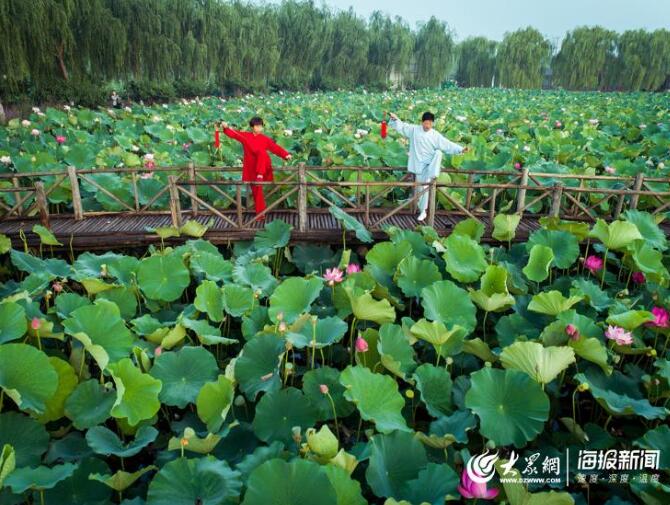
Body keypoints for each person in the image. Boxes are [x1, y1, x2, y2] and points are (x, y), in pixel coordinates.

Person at [388, 111, 467, 221]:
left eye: (430, 123)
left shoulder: (435, 135)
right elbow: (402, 127)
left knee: (439, 153)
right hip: (419, 165)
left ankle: (433, 174)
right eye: (426, 123)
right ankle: (423, 211)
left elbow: (447, 144)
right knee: (422, 189)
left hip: (431, 165)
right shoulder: (414, 130)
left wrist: (460, 149)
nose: (427, 125)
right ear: (422, 122)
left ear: (433, 123)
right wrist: (395, 119)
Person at [217, 117, 292, 219]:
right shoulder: (246, 136)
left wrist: (285, 154)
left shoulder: (265, 139)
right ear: (252, 127)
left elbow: (275, 148)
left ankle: (260, 174)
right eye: (257, 126)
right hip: (251, 169)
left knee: (262, 152)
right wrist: (225, 128)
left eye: (261, 126)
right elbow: (234, 134)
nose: (259, 128)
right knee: (258, 192)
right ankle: (260, 215)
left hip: (263, 168)